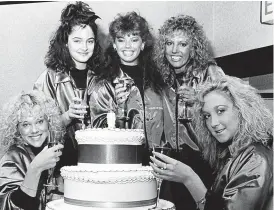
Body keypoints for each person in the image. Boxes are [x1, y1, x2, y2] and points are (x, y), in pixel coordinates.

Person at [150, 76, 273, 210]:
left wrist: (189, 178)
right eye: (207, 116)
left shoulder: (256, 159)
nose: (213, 123)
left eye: (221, 111)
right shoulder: (234, 152)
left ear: (243, 110)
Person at [152, 14, 225, 209]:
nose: (174, 50)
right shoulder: (162, 76)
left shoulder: (209, 72)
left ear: (193, 48)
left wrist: (200, 100)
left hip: (204, 160)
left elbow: (229, 109)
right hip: (171, 160)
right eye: (169, 43)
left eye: (182, 44)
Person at [34, 1, 103, 167]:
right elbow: (36, 132)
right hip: (61, 167)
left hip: (98, 163)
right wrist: (67, 117)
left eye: (90, 41)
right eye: (77, 41)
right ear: (65, 42)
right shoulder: (49, 79)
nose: (85, 47)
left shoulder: (102, 78)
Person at [88, 11, 167, 150]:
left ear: (142, 43)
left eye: (134, 39)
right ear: (114, 44)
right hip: (124, 160)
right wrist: (118, 108)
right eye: (121, 39)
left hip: (158, 162)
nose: (128, 46)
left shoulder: (157, 79)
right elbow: (98, 135)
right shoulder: (102, 83)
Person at [0, 90, 64, 210]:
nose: (34, 130)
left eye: (39, 121)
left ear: (48, 122)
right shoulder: (12, 157)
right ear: (17, 128)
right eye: (26, 124)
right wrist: (35, 168)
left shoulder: (55, 150)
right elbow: (11, 206)